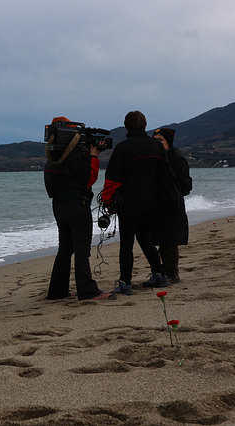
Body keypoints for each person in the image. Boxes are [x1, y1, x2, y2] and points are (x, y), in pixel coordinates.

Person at [44, 116, 116, 301]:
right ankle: (87, 291)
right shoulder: (74, 155)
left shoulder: (52, 156)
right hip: (78, 204)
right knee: (82, 248)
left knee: (65, 249)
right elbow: (89, 179)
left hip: (59, 205)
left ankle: (57, 291)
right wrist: (94, 156)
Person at [101, 111, 170, 295]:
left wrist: (107, 201)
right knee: (145, 238)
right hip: (153, 202)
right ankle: (159, 274)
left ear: (127, 127)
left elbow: (112, 179)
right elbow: (165, 173)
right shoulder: (157, 145)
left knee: (126, 243)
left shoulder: (123, 148)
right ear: (145, 126)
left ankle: (125, 283)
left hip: (130, 203)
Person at [152, 128, 192, 284]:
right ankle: (162, 270)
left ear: (169, 142)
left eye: (160, 140)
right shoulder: (155, 160)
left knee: (170, 241)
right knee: (160, 240)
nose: (158, 143)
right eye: (155, 140)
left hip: (173, 206)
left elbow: (185, 186)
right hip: (157, 205)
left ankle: (172, 273)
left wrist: (171, 192)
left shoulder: (177, 160)